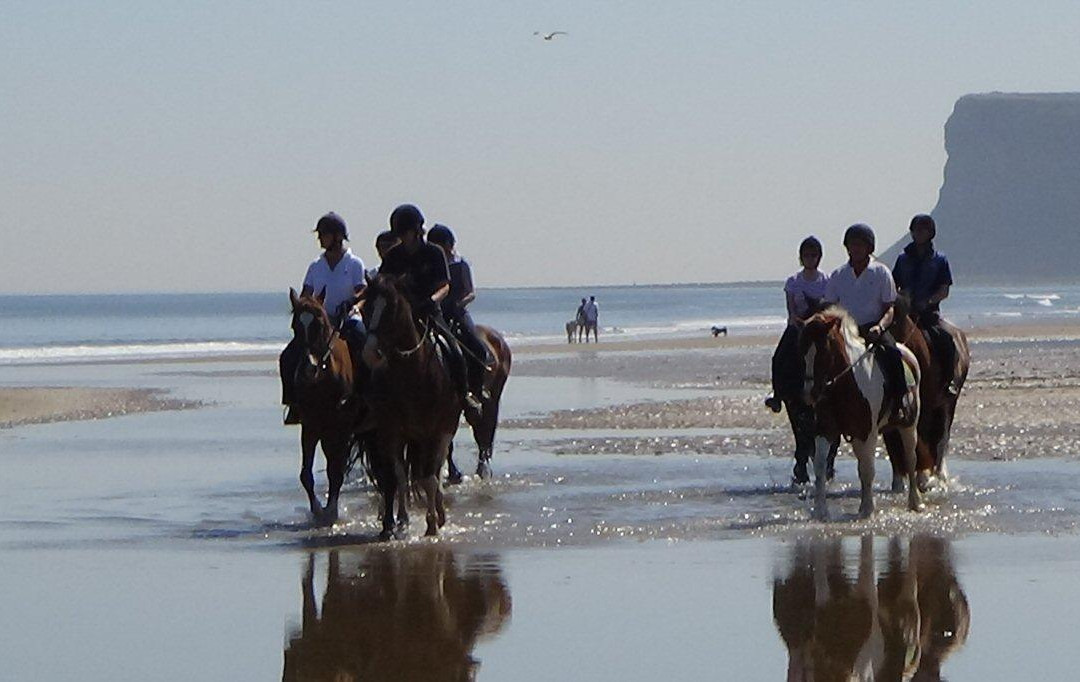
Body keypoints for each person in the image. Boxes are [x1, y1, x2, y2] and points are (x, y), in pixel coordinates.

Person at [377, 204, 482, 423]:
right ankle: (370, 400)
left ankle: (465, 396)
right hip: (400, 316)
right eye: (399, 234)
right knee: (374, 349)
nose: (402, 239)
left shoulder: (433, 253)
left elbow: (445, 286)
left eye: (404, 233)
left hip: (429, 312)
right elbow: (382, 283)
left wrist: (431, 301)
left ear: (416, 230)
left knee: (452, 349)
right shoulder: (394, 256)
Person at [280, 212, 366, 424]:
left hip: (348, 318)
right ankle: (293, 402)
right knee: (288, 356)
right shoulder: (315, 266)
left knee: (363, 342)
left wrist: (353, 304)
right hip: (320, 322)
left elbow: (363, 292)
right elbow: (307, 293)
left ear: (337, 236)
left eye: (323, 235)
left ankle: (364, 396)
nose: (320, 239)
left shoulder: (354, 263)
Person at [822, 223, 911, 421]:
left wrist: (879, 327)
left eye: (860, 245)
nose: (856, 249)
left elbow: (890, 307)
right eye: (852, 245)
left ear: (869, 248)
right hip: (845, 330)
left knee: (892, 354)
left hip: (872, 327)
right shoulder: (838, 275)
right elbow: (829, 306)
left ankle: (899, 402)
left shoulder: (881, 272)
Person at [426, 223, 493, 406]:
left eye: (441, 244)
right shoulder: (431, 263)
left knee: (476, 346)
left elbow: (470, 292)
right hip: (435, 310)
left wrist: (459, 304)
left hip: (456, 311)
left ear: (449, 244)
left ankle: (477, 389)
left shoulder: (460, 264)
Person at [892, 214, 959, 394]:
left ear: (931, 233)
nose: (919, 233)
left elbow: (944, 290)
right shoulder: (902, 259)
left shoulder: (939, 260)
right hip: (906, 313)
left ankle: (949, 380)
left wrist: (928, 301)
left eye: (923, 230)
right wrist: (902, 298)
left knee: (945, 339)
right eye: (916, 230)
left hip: (928, 314)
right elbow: (894, 284)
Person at [765, 236, 829, 413]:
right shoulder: (793, 282)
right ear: (801, 257)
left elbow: (830, 306)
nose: (810, 259)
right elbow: (791, 308)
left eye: (814, 255)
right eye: (807, 255)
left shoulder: (826, 280)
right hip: (798, 326)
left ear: (819, 257)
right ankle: (777, 395)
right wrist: (797, 320)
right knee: (778, 357)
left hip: (818, 327)